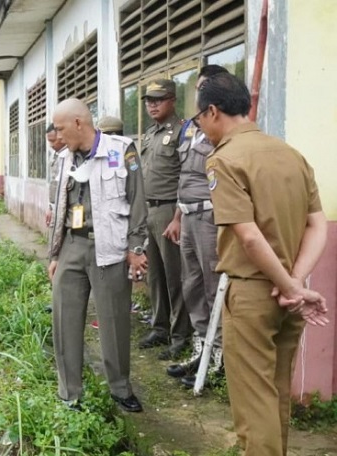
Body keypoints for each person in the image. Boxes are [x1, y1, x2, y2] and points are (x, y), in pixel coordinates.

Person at [200, 72, 328, 456]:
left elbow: (249, 236)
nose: (202, 127)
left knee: (254, 408)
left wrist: (289, 287)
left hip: (255, 293)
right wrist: (295, 282)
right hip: (289, 294)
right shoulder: (291, 155)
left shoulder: (224, 160)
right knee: (274, 397)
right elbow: (317, 224)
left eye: (200, 119)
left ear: (212, 111)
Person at [48, 98, 148, 413]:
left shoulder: (122, 150)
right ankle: (69, 394)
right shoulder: (63, 159)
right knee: (64, 320)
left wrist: (135, 249)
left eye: (62, 129)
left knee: (114, 321)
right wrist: (54, 254)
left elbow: (138, 202)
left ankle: (120, 388)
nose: (59, 136)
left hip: (110, 247)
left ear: (79, 123)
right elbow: (59, 209)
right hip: (72, 246)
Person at [166, 65, 229, 387]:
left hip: (209, 216)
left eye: (205, 88)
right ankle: (200, 349)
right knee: (190, 284)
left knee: (210, 284)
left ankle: (218, 359)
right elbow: (184, 176)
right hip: (187, 215)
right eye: (197, 88)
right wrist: (176, 217)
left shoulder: (225, 129)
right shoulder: (191, 128)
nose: (199, 95)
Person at [137, 79, 191, 360]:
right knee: (154, 275)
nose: (152, 105)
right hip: (149, 211)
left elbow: (188, 176)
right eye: (148, 100)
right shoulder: (149, 135)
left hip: (170, 212)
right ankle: (159, 327)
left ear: (172, 100)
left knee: (175, 276)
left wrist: (179, 216)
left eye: (158, 99)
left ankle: (180, 335)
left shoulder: (183, 132)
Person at [46, 123, 68, 227]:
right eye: (49, 141)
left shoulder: (69, 156)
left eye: (53, 140)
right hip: (54, 206)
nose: (51, 145)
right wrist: (50, 207)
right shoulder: (56, 155)